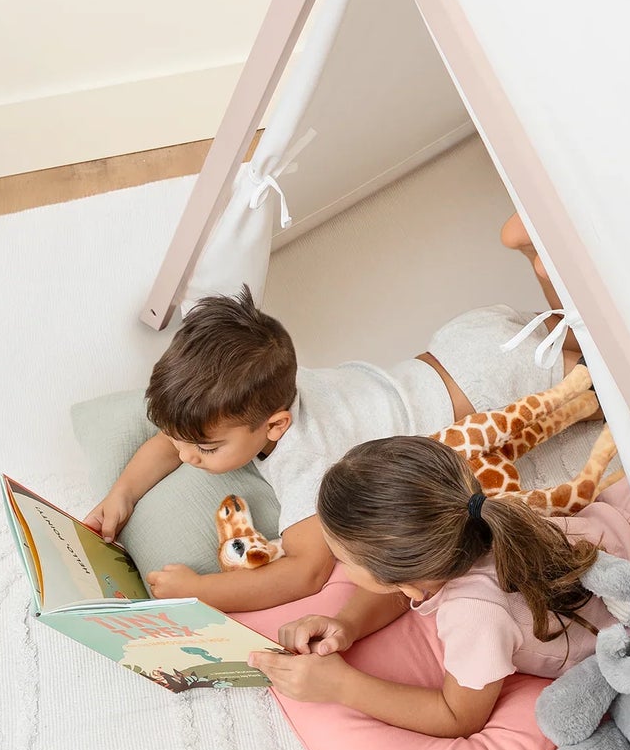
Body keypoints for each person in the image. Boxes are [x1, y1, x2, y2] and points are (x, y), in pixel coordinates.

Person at [82, 213, 581, 611]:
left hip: (488, 387)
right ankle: (539, 262)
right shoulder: (265, 387)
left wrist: (202, 590)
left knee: (608, 386)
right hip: (462, 343)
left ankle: (541, 262)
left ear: (275, 426)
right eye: (185, 442)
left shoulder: (307, 458)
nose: (187, 455)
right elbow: (172, 442)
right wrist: (122, 495)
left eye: (206, 448)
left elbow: (305, 572)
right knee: (572, 331)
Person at [248, 435, 630, 737]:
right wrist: (347, 624)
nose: (339, 566)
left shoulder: (474, 613)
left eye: (344, 560)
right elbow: (407, 583)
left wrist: (340, 686)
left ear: (402, 577)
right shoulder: (472, 518)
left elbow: (458, 715)